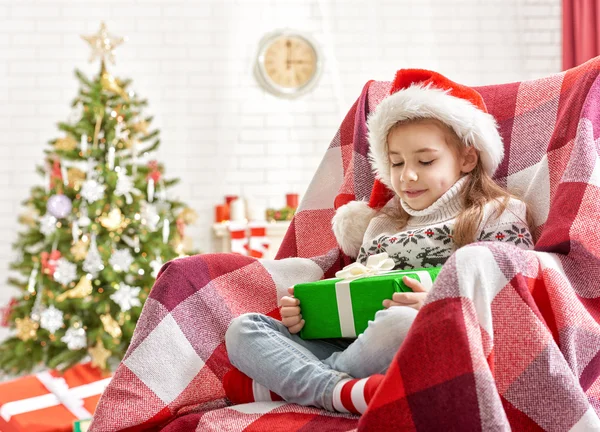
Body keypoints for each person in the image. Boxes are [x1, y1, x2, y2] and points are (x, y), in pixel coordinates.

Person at [223, 69, 534, 415]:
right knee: (243, 329)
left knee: (401, 323)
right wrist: (308, 315)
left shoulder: (498, 213)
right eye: (396, 162)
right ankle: (341, 391)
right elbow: (354, 290)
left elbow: (516, 298)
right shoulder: (381, 224)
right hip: (352, 343)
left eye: (425, 161)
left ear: (467, 158)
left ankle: (291, 385)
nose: (407, 175)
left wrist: (439, 306)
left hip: (418, 336)